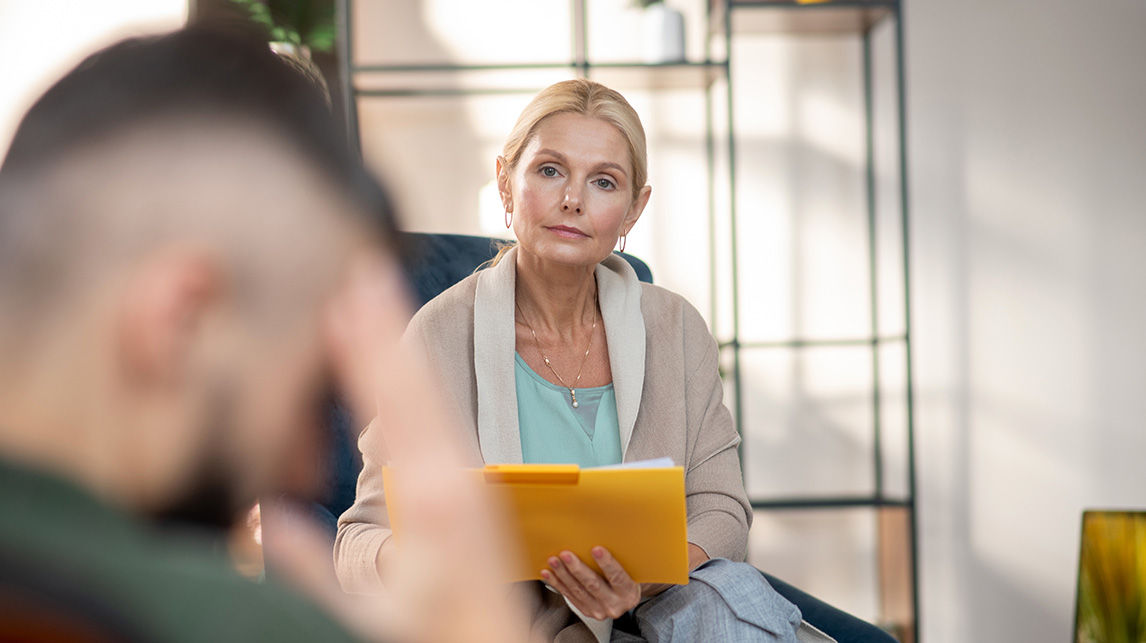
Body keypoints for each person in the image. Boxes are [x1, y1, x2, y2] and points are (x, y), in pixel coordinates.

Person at [0, 28, 524, 643]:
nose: (304, 470)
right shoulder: (223, 622)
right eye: (308, 390)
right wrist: (477, 625)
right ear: (179, 325)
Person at [336, 79, 824, 642]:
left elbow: (721, 512)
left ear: (633, 209)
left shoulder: (676, 328)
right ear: (505, 182)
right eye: (549, 170)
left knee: (724, 600)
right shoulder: (437, 336)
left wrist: (640, 582)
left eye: (604, 181)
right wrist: (438, 567)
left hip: (665, 615)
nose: (573, 198)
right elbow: (359, 542)